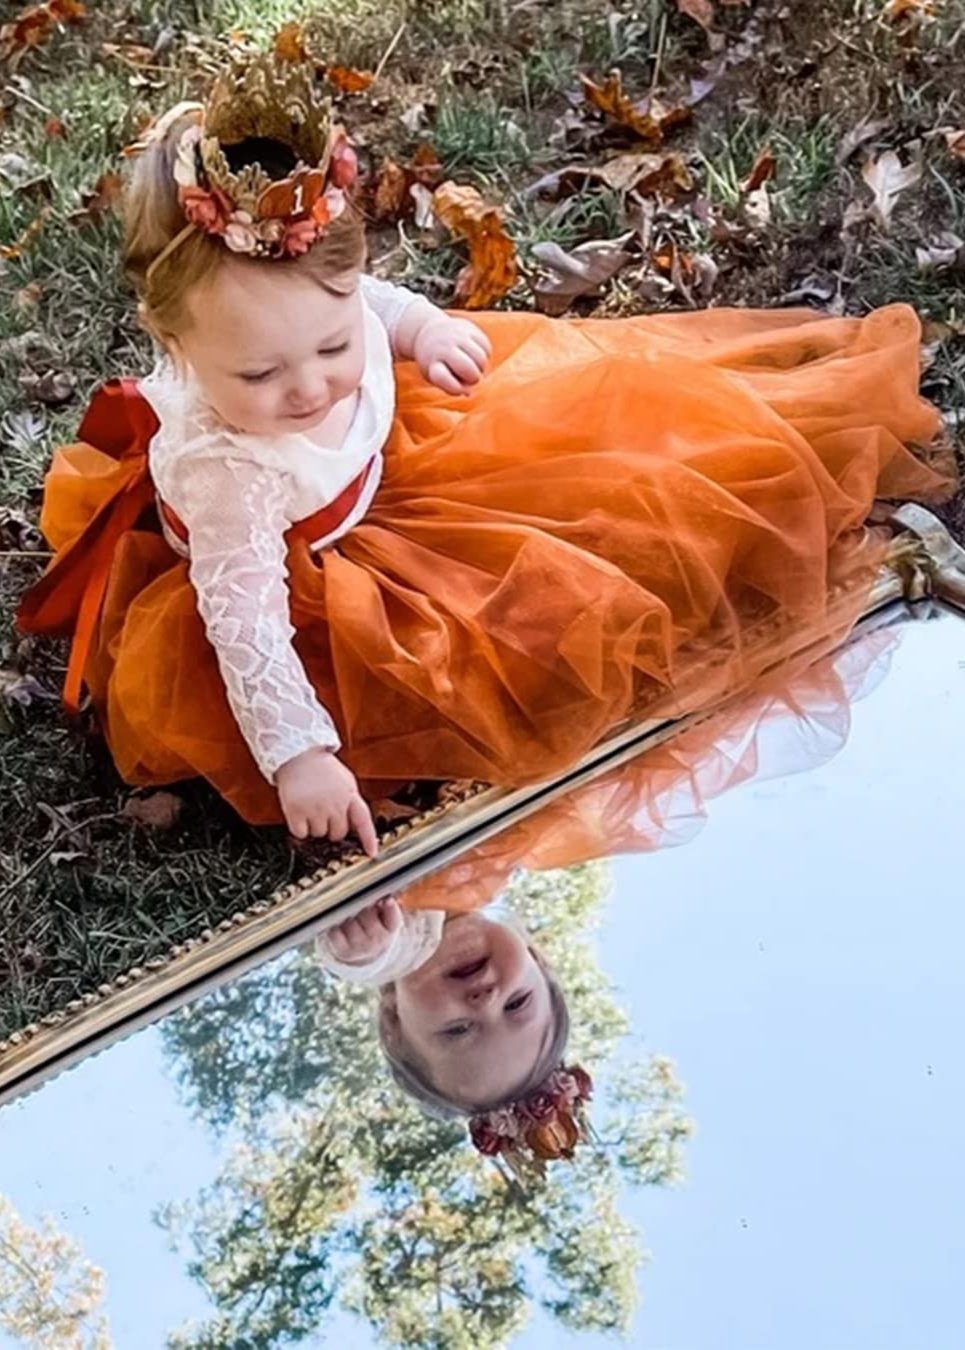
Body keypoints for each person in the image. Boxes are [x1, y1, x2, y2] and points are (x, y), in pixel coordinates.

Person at [18, 48, 951, 855]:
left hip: (413, 463)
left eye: (333, 347)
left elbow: (370, 303)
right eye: (261, 374)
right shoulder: (228, 469)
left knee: (628, 463)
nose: (309, 388)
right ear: (175, 345)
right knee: (513, 641)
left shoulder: (321, 307)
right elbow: (247, 628)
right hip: (312, 575)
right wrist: (299, 754)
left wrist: (419, 331)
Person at [315, 617, 896, 1175]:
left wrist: (364, 948)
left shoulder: (400, 943)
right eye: (518, 1003)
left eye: (457, 1030)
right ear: (537, 961)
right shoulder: (505, 857)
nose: (485, 1000)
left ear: (393, 1018)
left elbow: (362, 959)